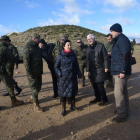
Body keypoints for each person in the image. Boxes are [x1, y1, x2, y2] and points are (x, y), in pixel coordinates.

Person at [110, 23, 131, 123]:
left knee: (118, 94)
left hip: (120, 72)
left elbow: (126, 55)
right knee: (123, 93)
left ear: (117, 31)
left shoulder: (122, 40)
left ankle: (121, 115)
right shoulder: (119, 40)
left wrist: (122, 70)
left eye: (112, 31)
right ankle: (124, 111)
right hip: (118, 70)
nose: (111, 33)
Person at [54, 40, 81, 116]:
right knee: (63, 94)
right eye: (68, 45)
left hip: (73, 77)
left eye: (70, 45)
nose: (70, 46)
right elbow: (56, 67)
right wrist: (60, 74)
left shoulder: (73, 55)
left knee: (73, 92)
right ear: (64, 46)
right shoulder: (60, 55)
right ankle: (63, 109)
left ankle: (73, 106)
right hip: (64, 78)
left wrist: (79, 75)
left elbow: (77, 66)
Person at [0, 36, 24, 107]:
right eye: (8, 41)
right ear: (4, 41)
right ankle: (14, 101)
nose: (9, 43)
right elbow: (13, 58)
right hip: (2, 70)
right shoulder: (5, 49)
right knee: (10, 85)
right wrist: (23, 61)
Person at [86, 34, 109, 106]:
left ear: (94, 39)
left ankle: (105, 99)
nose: (89, 40)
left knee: (100, 85)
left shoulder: (100, 45)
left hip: (100, 68)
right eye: (88, 39)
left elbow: (106, 57)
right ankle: (98, 98)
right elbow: (87, 60)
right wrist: (88, 70)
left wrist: (106, 67)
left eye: (91, 38)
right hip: (92, 70)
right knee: (94, 85)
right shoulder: (88, 48)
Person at [23, 33, 44, 112]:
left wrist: (41, 48)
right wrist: (29, 74)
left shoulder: (37, 47)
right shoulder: (28, 47)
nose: (39, 40)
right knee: (34, 88)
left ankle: (32, 98)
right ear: (34, 39)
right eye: (38, 39)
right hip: (32, 72)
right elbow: (26, 62)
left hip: (38, 71)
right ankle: (36, 105)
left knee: (39, 86)